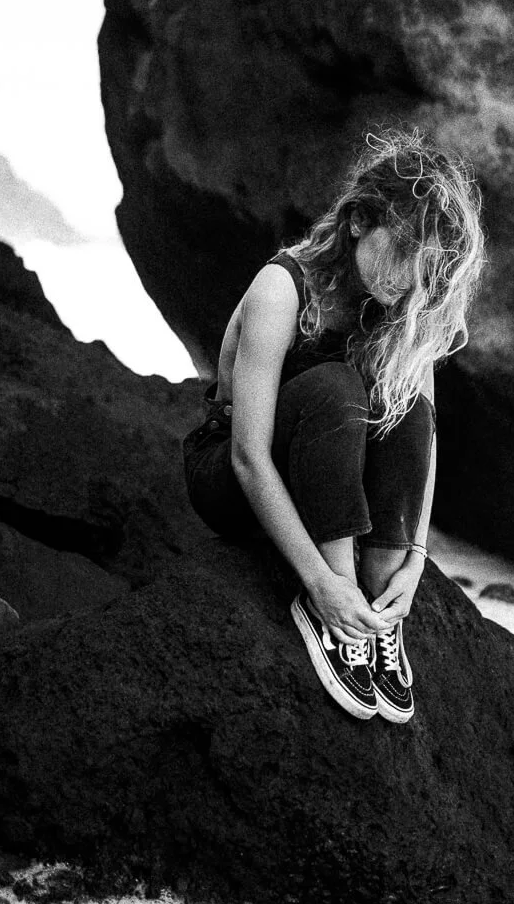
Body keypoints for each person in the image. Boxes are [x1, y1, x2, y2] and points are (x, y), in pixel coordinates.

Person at [182, 128, 485, 723]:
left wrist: (417, 556)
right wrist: (319, 581)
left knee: (408, 404)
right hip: (232, 476)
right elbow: (247, 456)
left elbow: (425, 436)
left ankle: (374, 606)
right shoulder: (283, 287)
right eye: (402, 253)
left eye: (425, 270)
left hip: (319, 471)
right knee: (336, 385)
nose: (409, 283)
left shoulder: (403, 314)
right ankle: (337, 605)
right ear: (358, 222)